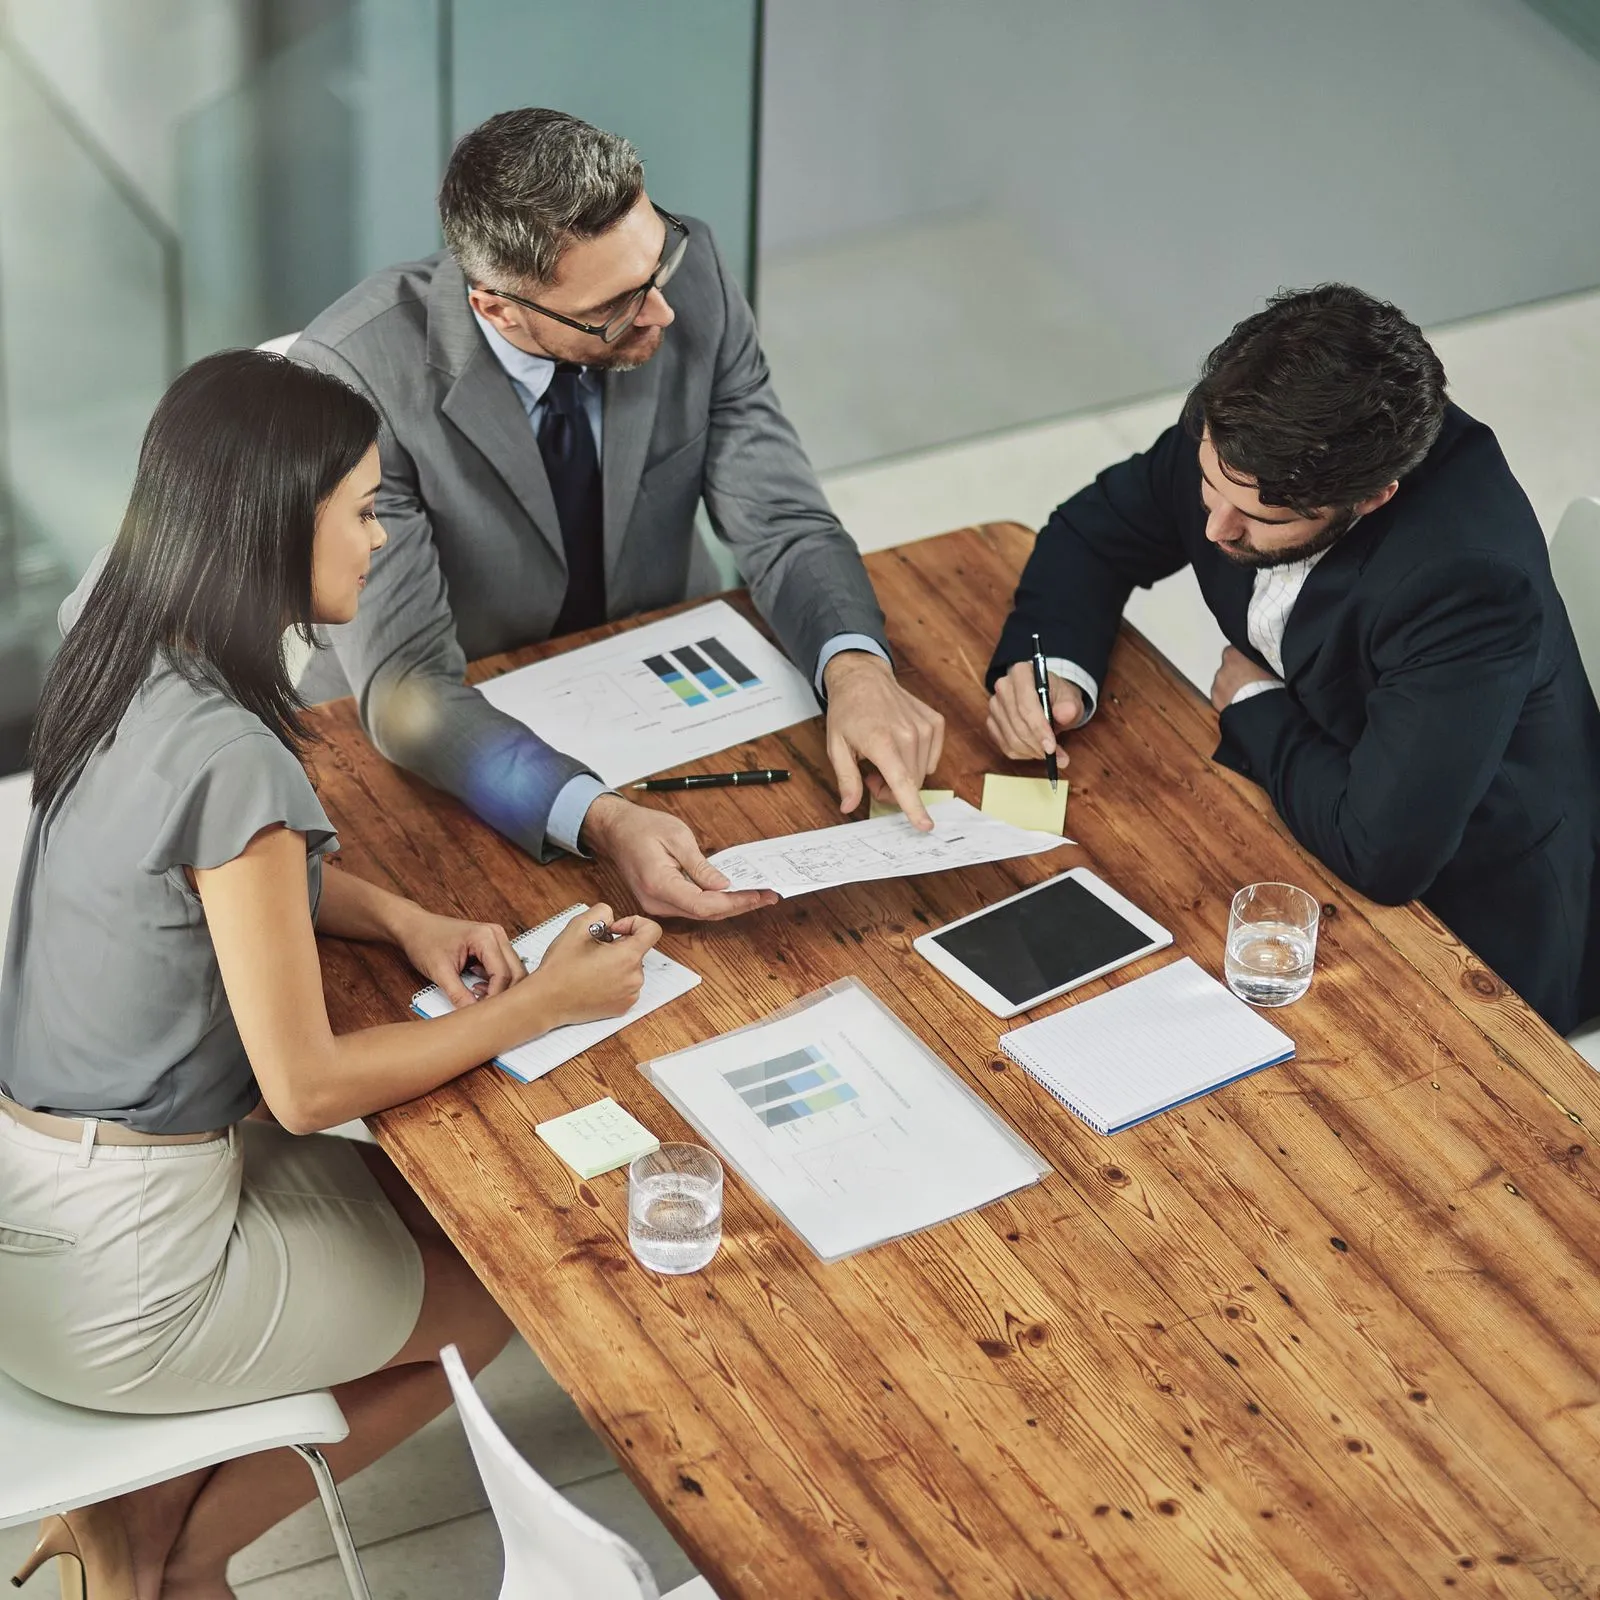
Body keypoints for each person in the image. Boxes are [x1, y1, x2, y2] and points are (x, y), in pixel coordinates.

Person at [0, 350, 659, 1600]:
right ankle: (171, 1560)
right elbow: (305, 1088)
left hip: (36, 1202)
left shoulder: (114, 653)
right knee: (497, 1290)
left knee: (448, 1219)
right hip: (128, 1265)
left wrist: (405, 918)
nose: (379, 535)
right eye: (359, 508)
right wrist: (543, 1003)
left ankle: (127, 1527)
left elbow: (218, 881)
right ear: (265, 529)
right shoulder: (233, 758)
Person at [291, 107, 945, 922]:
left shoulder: (689, 273)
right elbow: (408, 691)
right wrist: (595, 818)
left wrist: (857, 670)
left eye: (656, 265)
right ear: (498, 309)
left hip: (665, 681)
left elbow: (780, 520)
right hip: (447, 740)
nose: (662, 313)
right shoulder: (356, 377)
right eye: (617, 306)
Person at [984, 284, 1600, 1033]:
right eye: (1209, 483)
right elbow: (1093, 533)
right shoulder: (1246, 435)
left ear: (1371, 498)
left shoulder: (1465, 579)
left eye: (1260, 518)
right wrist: (1054, 671)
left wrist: (1254, 705)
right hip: (1300, 819)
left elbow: (1385, 854)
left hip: (1471, 917)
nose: (1213, 527)